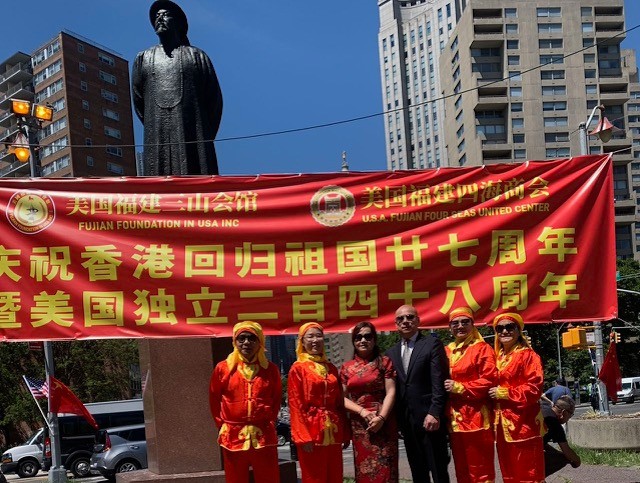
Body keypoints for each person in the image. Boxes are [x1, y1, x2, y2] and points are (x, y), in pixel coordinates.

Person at [133, 0, 223, 176]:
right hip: (157, 130)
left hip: (193, 131)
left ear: (179, 23)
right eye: (156, 17)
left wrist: (201, 132)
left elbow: (214, 101)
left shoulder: (197, 56)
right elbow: (139, 101)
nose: (160, 19)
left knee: (196, 170)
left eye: (165, 14)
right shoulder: (143, 58)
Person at [209, 321, 282, 483]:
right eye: (241, 339)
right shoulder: (223, 369)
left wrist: (270, 420)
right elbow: (214, 399)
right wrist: (221, 425)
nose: (246, 343)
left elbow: (276, 398)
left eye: (252, 338)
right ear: (234, 342)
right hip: (233, 436)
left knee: (269, 478)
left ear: (260, 342)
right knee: (235, 479)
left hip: (264, 435)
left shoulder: (270, 369)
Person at [386, 304, 450, 483]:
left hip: (430, 418)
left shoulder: (432, 344)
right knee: (417, 469)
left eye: (410, 317)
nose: (405, 321)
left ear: (418, 320)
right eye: (401, 319)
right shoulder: (391, 353)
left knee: (438, 468)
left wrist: (435, 412)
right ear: (396, 324)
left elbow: (439, 380)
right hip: (407, 421)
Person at [288, 322, 350, 483]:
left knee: (335, 475)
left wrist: (345, 432)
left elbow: (338, 403)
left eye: (318, 336)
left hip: (333, 429)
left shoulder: (331, 368)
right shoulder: (298, 368)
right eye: (310, 336)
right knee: (314, 477)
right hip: (311, 432)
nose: (315, 340)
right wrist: (302, 436)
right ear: (302, 341)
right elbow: (295, 404)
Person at [489, 312, 545, 483]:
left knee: (529, 473)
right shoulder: (495, 357)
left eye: (509, 327)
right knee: (509, 473)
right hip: (501, 426)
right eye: (500, 328)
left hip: (524, 424)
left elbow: (534, 388)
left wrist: (505, 393)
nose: (504, 331)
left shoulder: (529, 356)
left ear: (518, 330)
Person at [443, 307, 497, 483]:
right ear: (449, 327)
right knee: (461, 469)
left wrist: (460, 388)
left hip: (477, 418)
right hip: (454, 419)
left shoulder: (482, 349)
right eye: (455, 323)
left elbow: (489, 380)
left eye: (465, 322)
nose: (460, 326)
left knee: (480, 469)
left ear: (473, 325)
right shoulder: (446, 350)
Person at [340, 321, 398, 483]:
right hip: (360, 427)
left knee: (387, 471)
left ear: (374, 340)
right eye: (358, 337)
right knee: (364, 472)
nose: (363, 340)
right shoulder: (346, 367)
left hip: (383, 423)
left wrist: (382, 418)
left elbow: (391, 391)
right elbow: (341, 398)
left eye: (368, 336)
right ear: (353, 341)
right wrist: (362, 411)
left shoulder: (385, 362)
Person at [542, 395, 581, 477]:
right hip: (526, 457)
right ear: (564, 413)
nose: (569, 418)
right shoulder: (554, 424)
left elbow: (541, 443)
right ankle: (537, 477)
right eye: (571, 414)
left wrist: (555, 452)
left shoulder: (542, 410)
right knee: (563, 458)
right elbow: (567, 453)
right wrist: (577, 461)